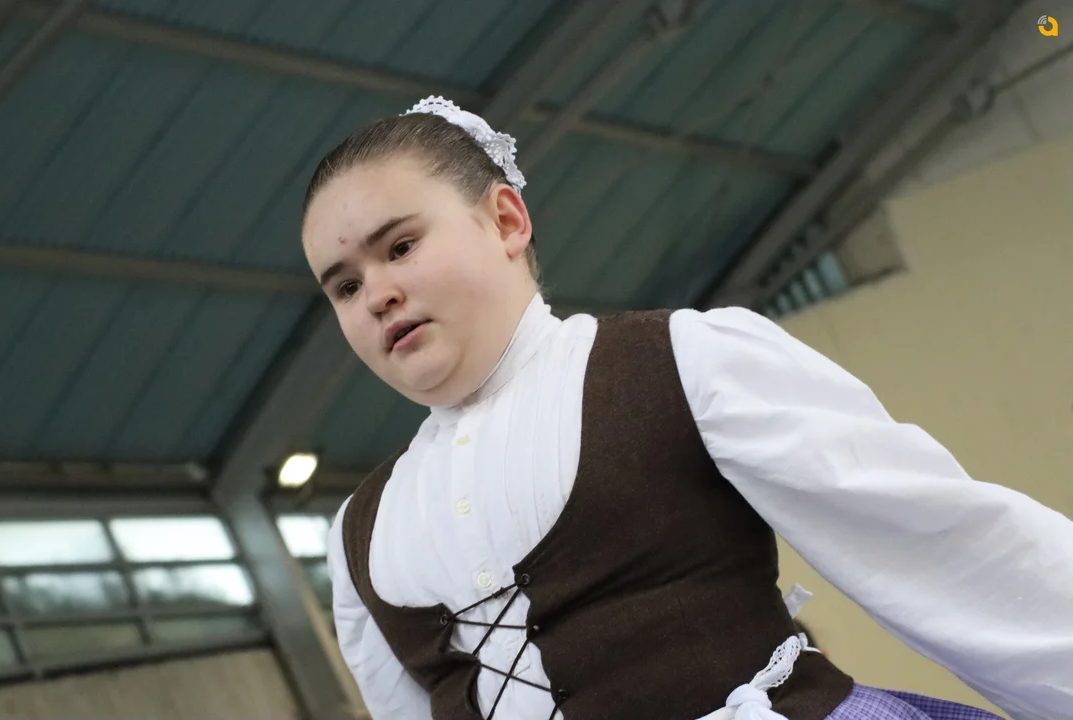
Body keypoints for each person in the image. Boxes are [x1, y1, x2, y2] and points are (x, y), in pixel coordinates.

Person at [302, 96, 1073, 720]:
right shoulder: (358, 535)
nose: (377, 295)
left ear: (506, 220)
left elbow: (944, 544)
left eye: (400, 247)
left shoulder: (683, 360)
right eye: (345, 285)